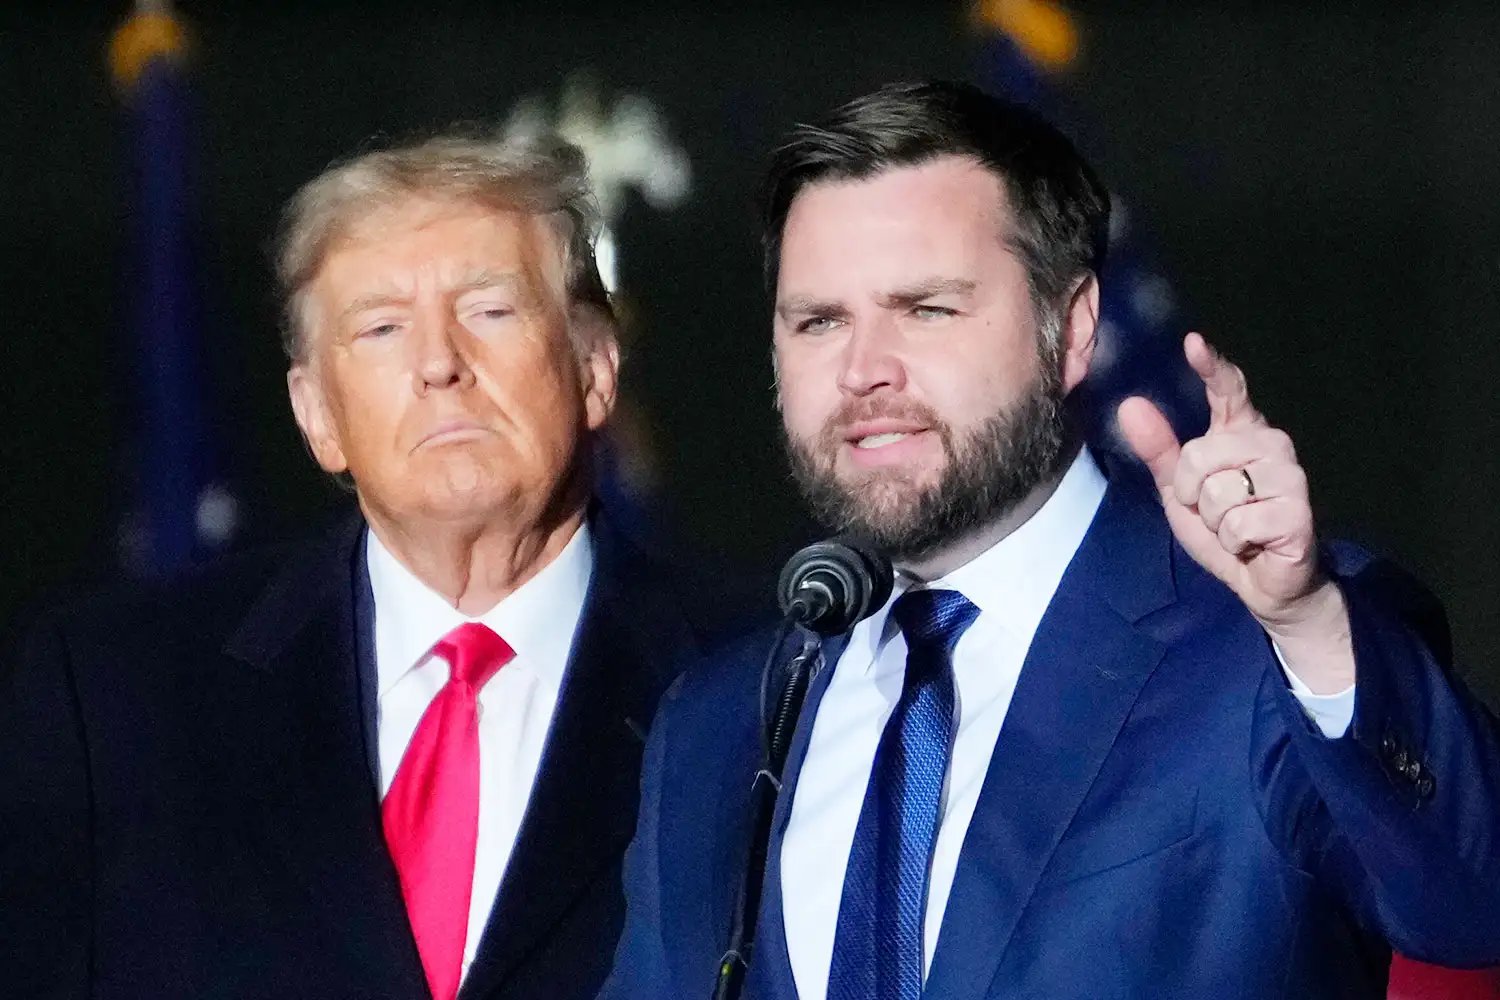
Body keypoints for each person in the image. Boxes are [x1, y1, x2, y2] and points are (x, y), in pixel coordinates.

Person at [603, 81, 1500, 999]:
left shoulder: (1270, 647)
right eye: (819, 321)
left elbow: (1472, 901)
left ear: (1071, 331)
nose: (864, 369)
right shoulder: (714, 726)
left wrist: (1308, 623)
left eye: (926, 308)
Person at [0, 130, 727, 1000]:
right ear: (317, 416)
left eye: (490, 309)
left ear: (596, 367)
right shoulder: (113, 692)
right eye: (381, 328)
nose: (438, 364)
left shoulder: (763, 687)